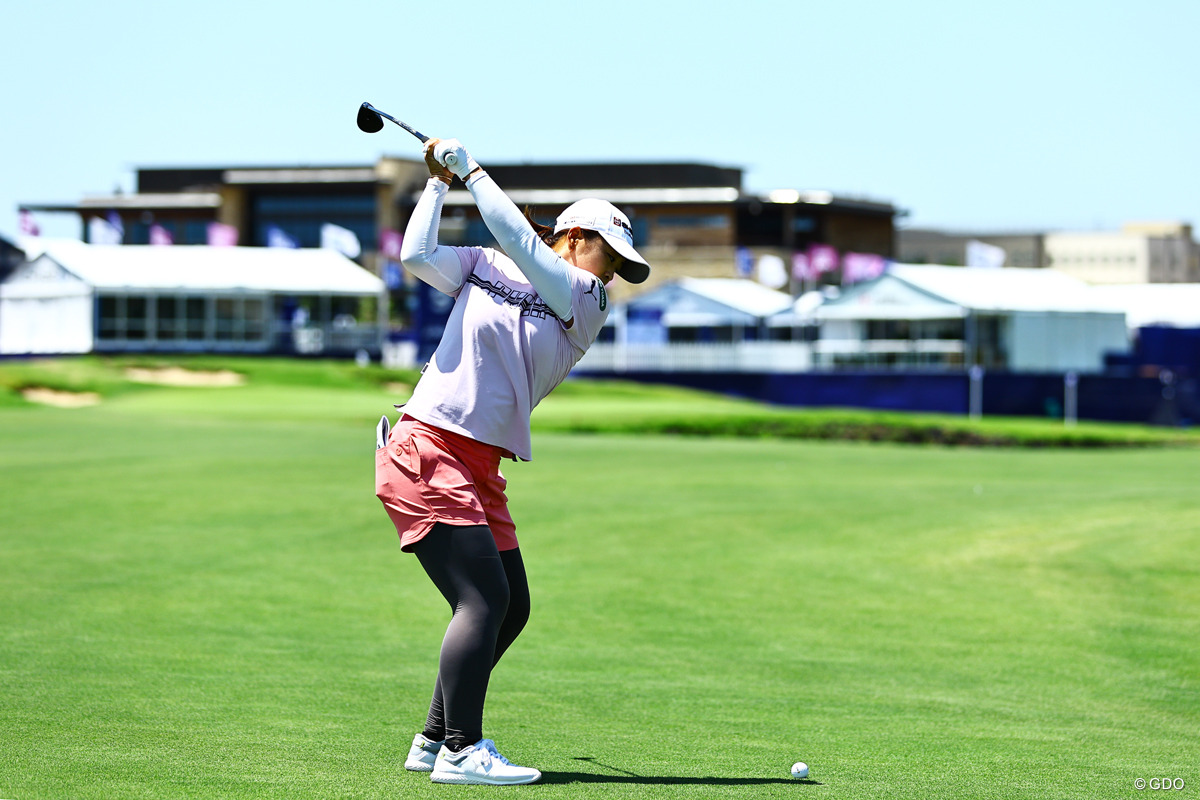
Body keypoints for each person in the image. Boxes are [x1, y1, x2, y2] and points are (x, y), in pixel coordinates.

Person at [374, 136, 650, 786]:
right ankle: (462, 750)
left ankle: (436, 738)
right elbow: (415, 254)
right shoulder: (483, 263)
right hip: (430, 448)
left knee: (511, 603)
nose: (612, 273)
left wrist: (471, 169)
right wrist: (440, 182)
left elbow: (526, 248)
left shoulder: (588, 301)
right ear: (576, 236)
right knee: (484, 599)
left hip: (479, 465)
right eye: (610, 255)